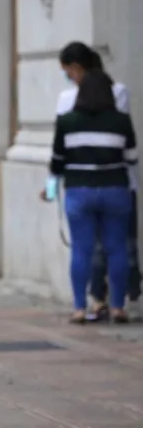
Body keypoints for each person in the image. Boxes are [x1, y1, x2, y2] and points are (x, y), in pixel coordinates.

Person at [55, 41, 140, 320]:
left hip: (80, 190)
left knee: (81, 250)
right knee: (116, 248)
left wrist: (51, 188)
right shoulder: (120, 120)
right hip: (116, 189)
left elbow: (57, 161)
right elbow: (131, 157)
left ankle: (80, 307)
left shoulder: (67, 121)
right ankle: (117, 306)